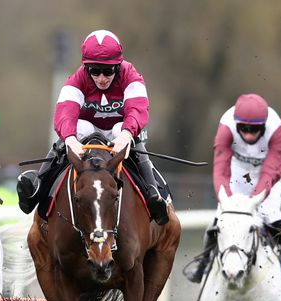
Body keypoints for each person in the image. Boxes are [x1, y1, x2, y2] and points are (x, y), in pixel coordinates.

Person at [16, 29, 169, 225]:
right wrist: (70, 139)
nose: (102, 78)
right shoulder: (76, 80)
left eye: (108, 70)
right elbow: (64, 114)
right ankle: (38, 188)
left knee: (119, 129)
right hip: (87, 133)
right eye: (94, 71)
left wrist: (126, 134)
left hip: (121, 132)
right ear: (86, 68)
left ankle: (152, 191)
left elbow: (137, 110)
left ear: (118, 66)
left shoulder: (131, 76)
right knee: (78, 130)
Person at [182, 94, 281, 292]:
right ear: (237, 125)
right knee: (223, 215)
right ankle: (204, 264)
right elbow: (221, 166)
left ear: (264, 126)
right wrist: (225, 198)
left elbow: (274, 166)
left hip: (270, 171)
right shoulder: (226, 125)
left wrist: (255, 198)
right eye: (244, 129)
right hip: (238, 170)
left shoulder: (276, 128)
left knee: (269, 214)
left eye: (255, 129)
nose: (250, 134)